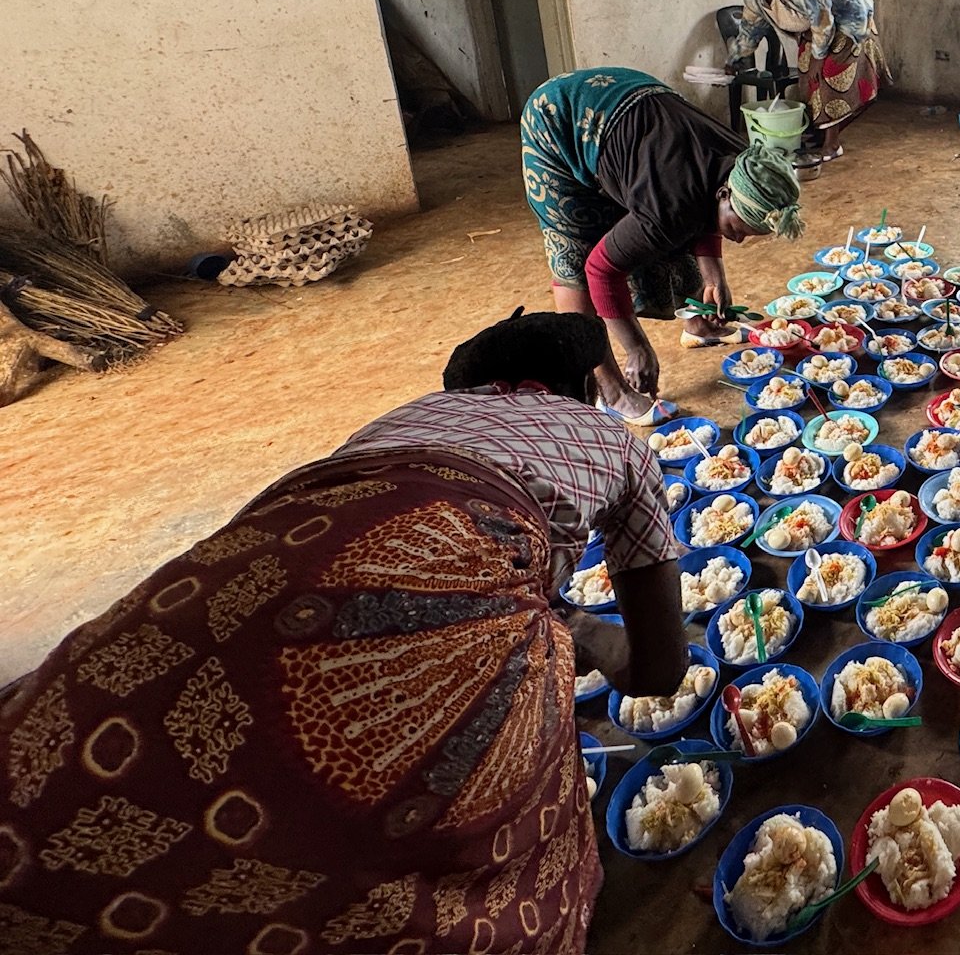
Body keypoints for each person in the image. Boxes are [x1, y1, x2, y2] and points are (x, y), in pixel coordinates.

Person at [0, 310, 683, 954]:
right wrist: (580, 629)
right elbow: (658, 671)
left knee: (86, 778)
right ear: (578, 390)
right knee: (505, 863)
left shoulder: (397, 423)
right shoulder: (608, 442)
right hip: (427, 594)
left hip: (224, 580)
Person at [521, 66, 804, 424]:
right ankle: (610, 390)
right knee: (577, 257)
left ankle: (698, 327)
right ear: (725, 195)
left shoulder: (743, 163)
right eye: (739, 228)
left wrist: (714, 277)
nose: (740, 239)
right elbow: (601, 270)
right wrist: (636, 347)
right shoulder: (669, 206)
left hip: (629, 109)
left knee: (670, 225)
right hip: (558, 120)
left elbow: (702, 198)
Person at [720, 0, 889, 166]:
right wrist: (733, 60)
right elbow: (751, 29)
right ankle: (823, 132)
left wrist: (819, 56)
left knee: (829, 73)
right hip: (817, 27)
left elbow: (821, 13)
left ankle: (832, 143)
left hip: (846, 14)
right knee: (807, 78)